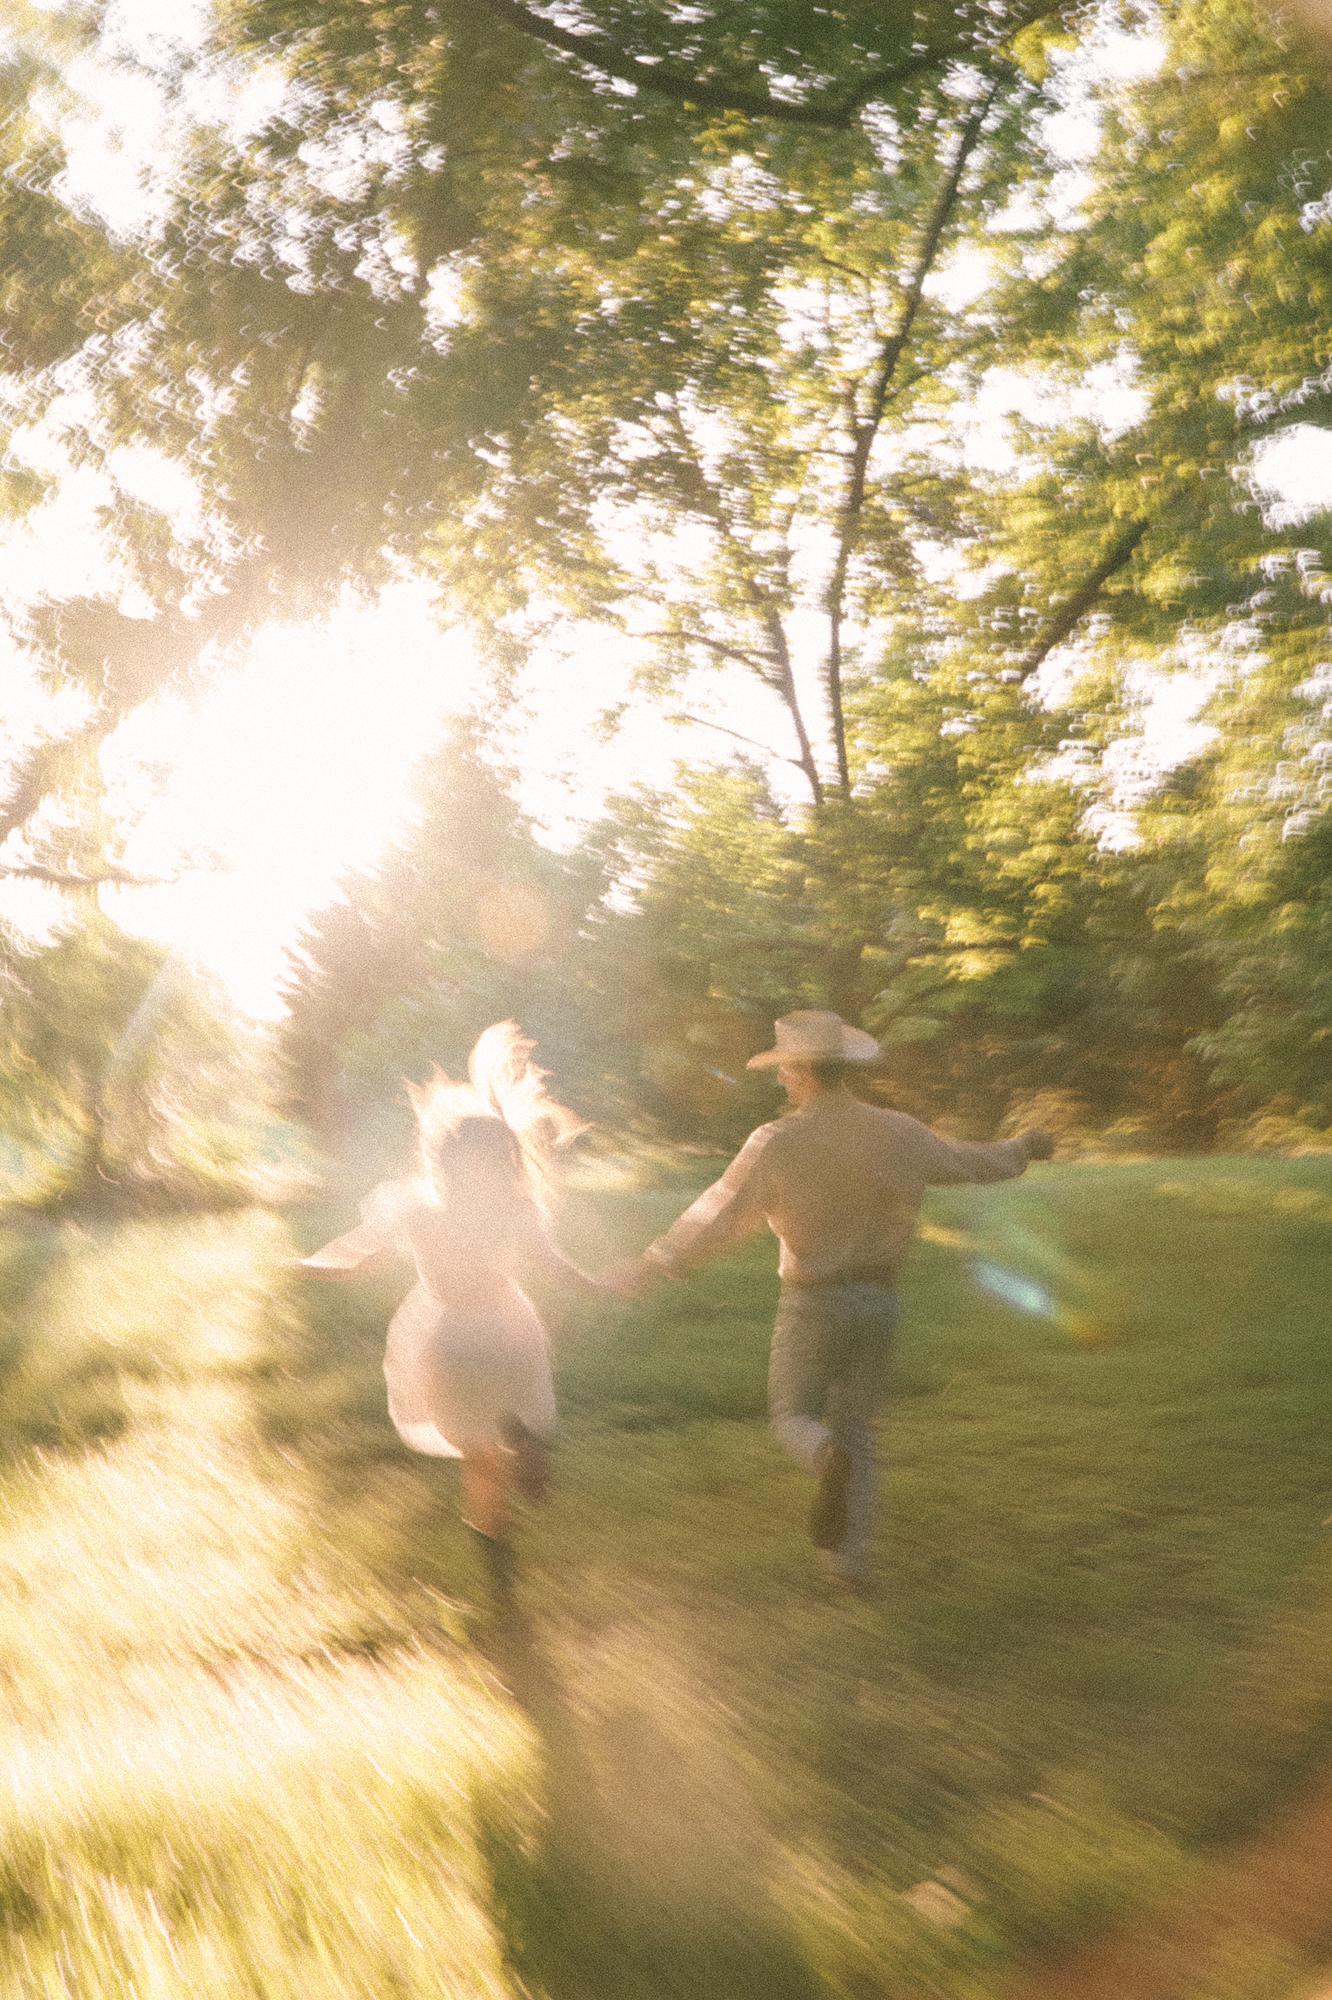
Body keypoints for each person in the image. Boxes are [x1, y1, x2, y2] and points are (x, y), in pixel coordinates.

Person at [623, 1011, 1055, 1589]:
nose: (782, 1080)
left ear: (804, 1072)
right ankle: (850, 1566)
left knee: (792, 1416)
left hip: (811, 1303)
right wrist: (1023, 1147)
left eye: (786, 1069)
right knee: (858, 1428)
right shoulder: (897, 1132)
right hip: (878, 1302)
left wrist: (660, 1260)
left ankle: (824, 1455)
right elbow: (967, 1161)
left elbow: (720, 1214)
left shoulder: (777, 1142)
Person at [299, 1023, 605, 1611]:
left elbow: (359, 1257)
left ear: (445, 1161)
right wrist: (599, 1285)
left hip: (452, 1338)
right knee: (507, 1429)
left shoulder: (417, 1209)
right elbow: (555, 1266)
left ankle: (499, 1572)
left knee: (477, 1460)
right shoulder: (517, 1208)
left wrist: (308, 1266)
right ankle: (524, 1437)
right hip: (511, 1331)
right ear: (506, 1162)